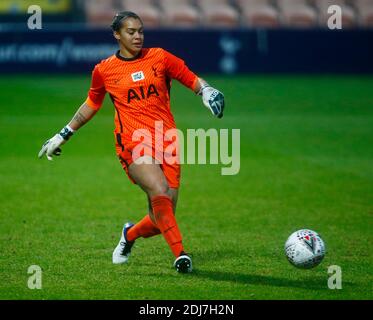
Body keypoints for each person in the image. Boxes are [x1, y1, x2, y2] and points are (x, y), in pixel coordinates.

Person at [38, 11, 225, 273]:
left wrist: (205, 90)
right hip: (133, 143)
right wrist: (63, 134)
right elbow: (92, 103)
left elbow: (191, 79)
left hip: (167, 141)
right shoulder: (104, 70)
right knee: (159, 191)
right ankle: (181, 255)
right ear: (117, 34)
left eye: (140, 31)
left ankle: (129, 235)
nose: (138, 36)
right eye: (131, 32)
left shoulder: (159, 57)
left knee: (162, 217)